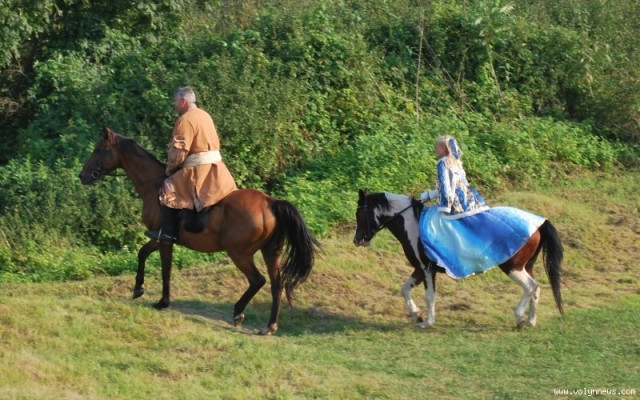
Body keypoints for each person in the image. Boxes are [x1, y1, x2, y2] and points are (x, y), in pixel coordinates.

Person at [145, 87, 237, 244]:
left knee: (167, 187)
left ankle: (168, 234)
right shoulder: (205, 115)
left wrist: (170, 169)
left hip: (198, 170)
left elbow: (179, 151)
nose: (174, 105)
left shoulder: (185, 120)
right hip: (217, 168)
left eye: (175, 101)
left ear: (183, 101)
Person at [419, 135, 487, 217]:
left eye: (437, 147)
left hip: (455, 203)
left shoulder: (442, 163)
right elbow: (463, 183)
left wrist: (442, 202)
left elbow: (445, 186)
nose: (435, 149)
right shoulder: (456, 162)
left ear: (443, 148)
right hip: (468, 198)